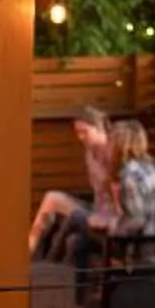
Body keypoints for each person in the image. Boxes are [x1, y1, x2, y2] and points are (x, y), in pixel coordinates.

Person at [28, 105, 122, 264]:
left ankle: (49, 263)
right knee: (52, 198)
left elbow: (118, 194)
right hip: (97, 209)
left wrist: (105, 216)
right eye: (78, 133)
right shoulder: (89, 153)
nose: (81, 137)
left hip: (112, 216)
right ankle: (29, 248)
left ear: (99, 128)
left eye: (85, 132)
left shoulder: (114, 153)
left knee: (73, 226)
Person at [105, 118, 155, 250]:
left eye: (110, 142)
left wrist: (115, 228)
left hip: (143, 257)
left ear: (119, 147)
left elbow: (137, 220)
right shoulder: (154, 171)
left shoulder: (130, 177)